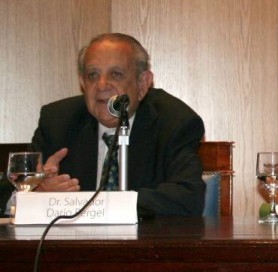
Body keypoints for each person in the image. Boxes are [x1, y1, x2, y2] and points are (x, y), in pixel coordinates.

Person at [0, 33, 205, 217]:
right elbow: (4, 195)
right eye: (93, 75)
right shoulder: (58, 122)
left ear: (142, 84)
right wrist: (35, 193)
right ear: (82, 82)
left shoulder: (174, 122)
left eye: (115, 74)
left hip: (146, 251)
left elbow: (188, 198)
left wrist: (93, 203)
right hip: (71, 251)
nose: (102, 85)